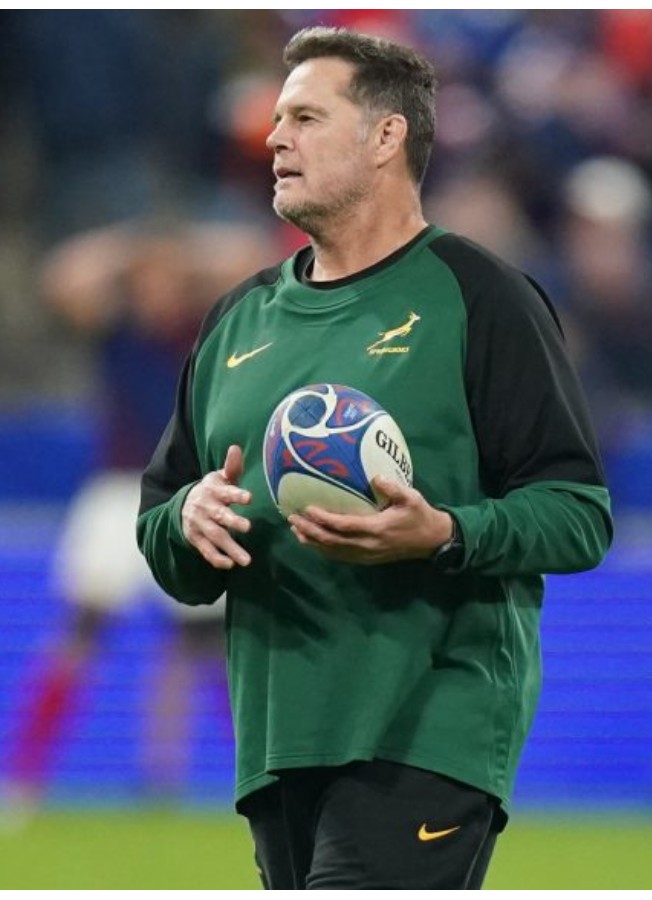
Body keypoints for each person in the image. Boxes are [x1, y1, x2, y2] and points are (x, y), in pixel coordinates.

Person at [134, 27, 613, 891]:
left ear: (387, 137)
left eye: (305, 117)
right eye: (276, 118)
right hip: (280, 738)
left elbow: (579, 513)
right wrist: (188, 519)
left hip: (432, 724)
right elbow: (165, 530)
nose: (273, 137)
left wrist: (442, 533)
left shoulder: (479, 296)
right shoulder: (237, 320)